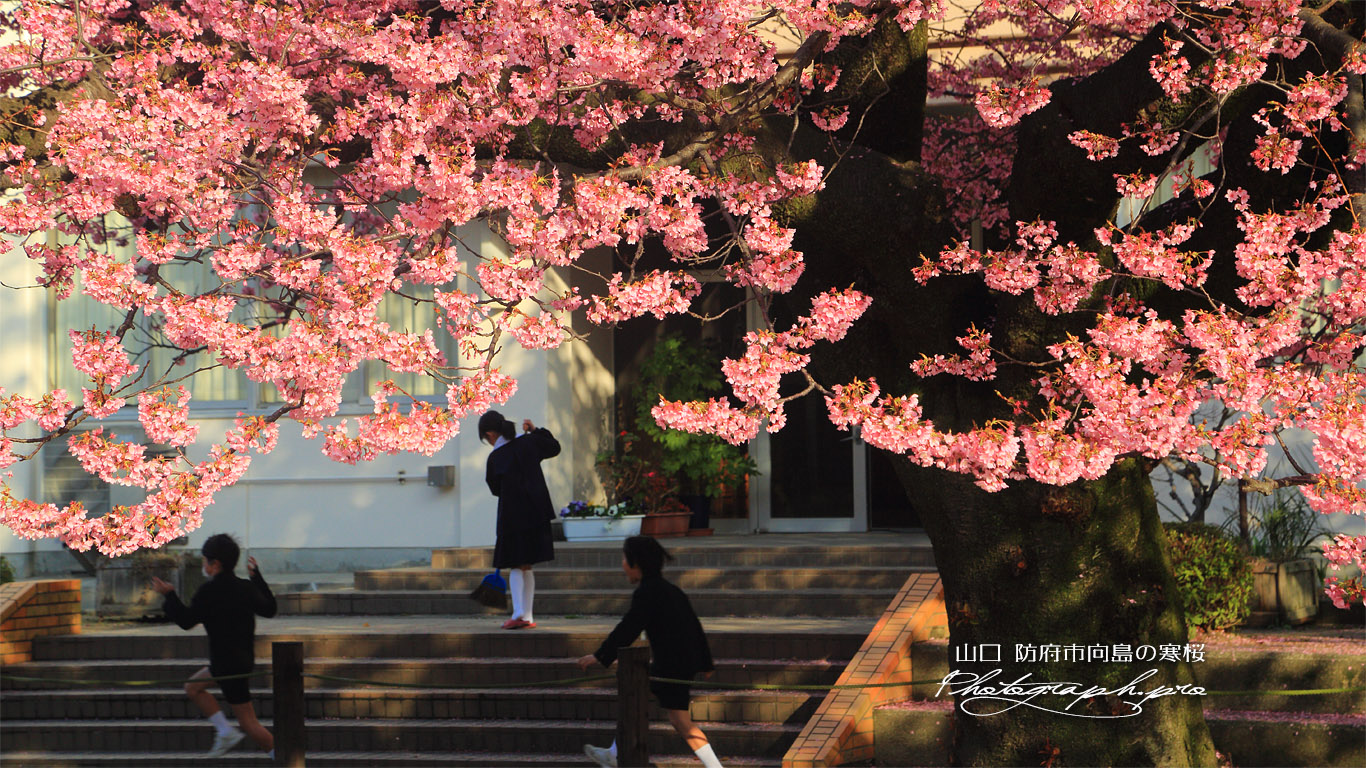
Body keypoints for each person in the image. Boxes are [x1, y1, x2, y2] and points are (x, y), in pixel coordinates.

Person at [576, 536, 722, 768]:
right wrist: (706, 662)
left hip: (671, 666)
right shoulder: (671, 590)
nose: (622, 564)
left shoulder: (648, 592)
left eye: (625, 558)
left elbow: (629, 627)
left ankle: (615, 754)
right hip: (678, 663)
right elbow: (695, 627)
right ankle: (615, 753)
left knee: (672, 716)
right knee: (667, 713)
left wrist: (600, 656)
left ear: (636, 563)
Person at [149, 533, 276, 758]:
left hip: (225, 665)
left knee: (248, 722)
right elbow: (270, 609)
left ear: (215, 564)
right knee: (193, 687)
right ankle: (225, 730)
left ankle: (284, 757)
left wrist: (169, 595)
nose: (203, 565)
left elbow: (186, 621)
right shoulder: (245, 587)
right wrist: (257, 578)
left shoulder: (208, 592)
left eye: (205, 560)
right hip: (241, 660)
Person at [479, 409, 560, 629]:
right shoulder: (529, 443)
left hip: (512, 516)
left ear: (490, 434)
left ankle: (518, 614)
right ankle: (527, 615)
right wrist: (536, 430)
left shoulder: (496, 457)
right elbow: (554, 447)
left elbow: (495, 488)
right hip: (538, 513)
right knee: (527, 565)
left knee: (515, 565)